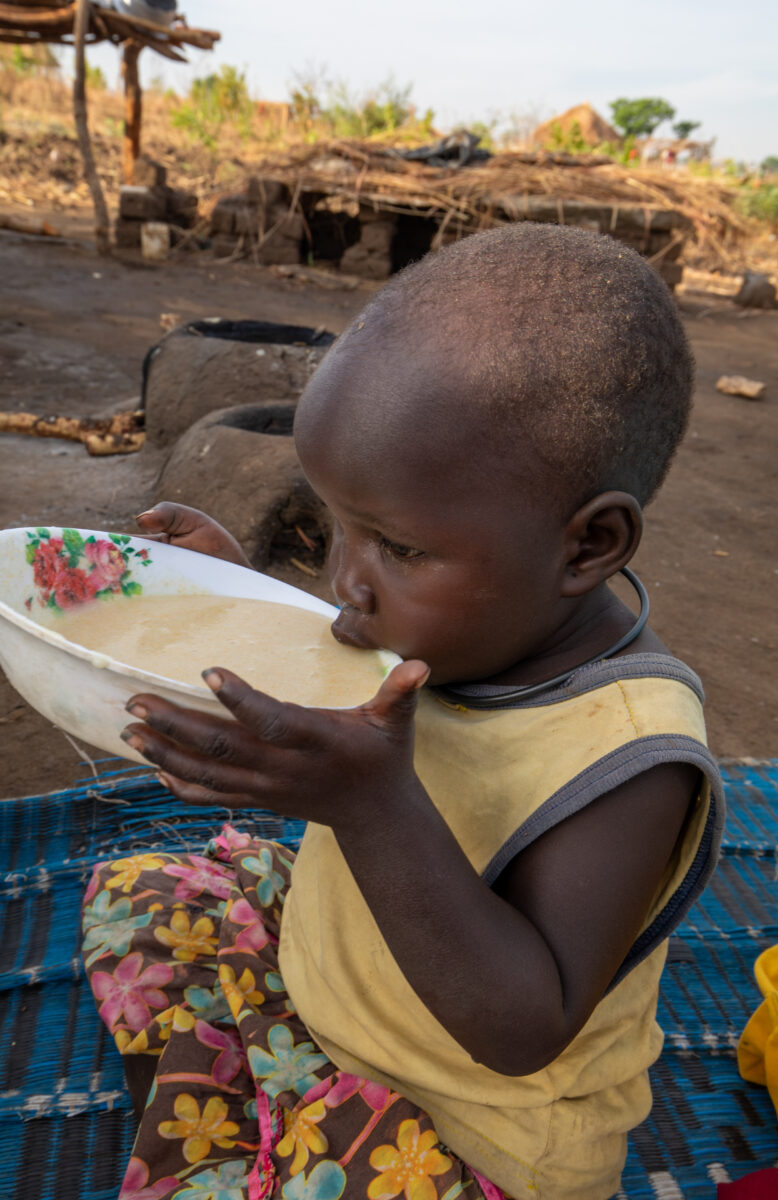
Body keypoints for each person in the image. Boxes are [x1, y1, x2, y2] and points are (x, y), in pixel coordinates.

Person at [81, 224, 724, 1200]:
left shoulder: (628, 754)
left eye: (397, 547)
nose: (344, 579)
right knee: (150, 894)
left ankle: (244, 1130)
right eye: (337, 525)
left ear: (587, 545)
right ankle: (265, 1117)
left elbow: (521, 1027)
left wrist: (372, 806)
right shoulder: (471, 616)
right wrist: (236, 595)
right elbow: (320, 655)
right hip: (335, 1001)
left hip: (463, 1135)